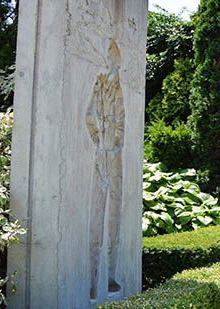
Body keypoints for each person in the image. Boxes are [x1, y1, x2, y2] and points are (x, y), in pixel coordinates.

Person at [85, 40, 125, 300]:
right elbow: (89, 114)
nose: (112, 62)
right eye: (110, 57)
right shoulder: (99, 83)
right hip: (101, 155)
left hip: (116, 157)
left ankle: (110, 276)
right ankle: (92, 279)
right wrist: (98, 139)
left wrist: (116, 139)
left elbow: (122, 118)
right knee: (96, 215)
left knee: (114, 218)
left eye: (115, 57)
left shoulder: (119, 86)